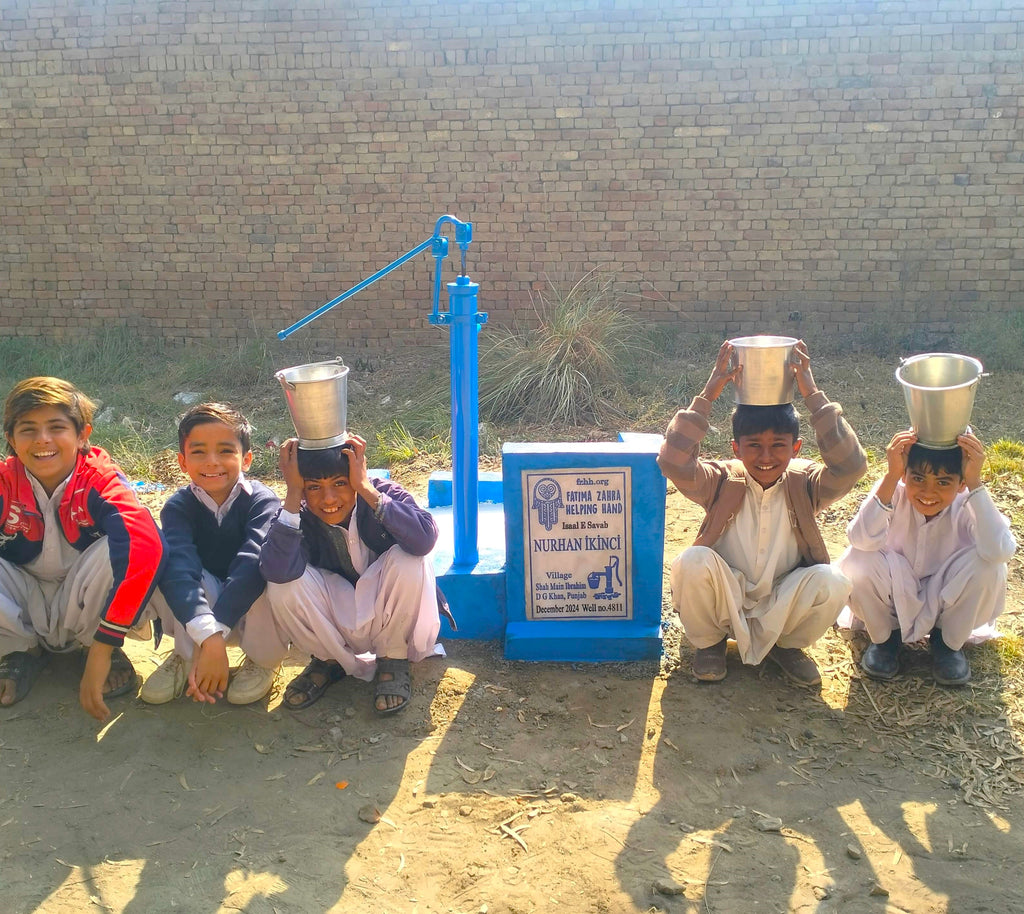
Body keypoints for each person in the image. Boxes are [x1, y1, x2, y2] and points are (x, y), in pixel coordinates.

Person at [657, 340, 867, 685]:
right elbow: (673, 462)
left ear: (795, 447)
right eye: (754, 446)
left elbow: (851, 467)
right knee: (692, 562)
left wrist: (812, 393)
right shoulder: (721, 480)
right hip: (728, 597)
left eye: (778, 446)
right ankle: (710, 643)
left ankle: (785, 645)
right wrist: (709, 394)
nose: (766, 457)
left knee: (833, 581)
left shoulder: (804, 483)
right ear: (736, 448)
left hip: (781, 599)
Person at [0, 376, 165, 720]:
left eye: (56, 427)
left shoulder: (98, 477)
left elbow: (145, 545)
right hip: (21, 595)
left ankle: (94, 643)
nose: (43, 440)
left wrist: (106, 642)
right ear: (11, 440)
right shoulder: (5, 480)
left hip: (85, 599)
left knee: (125, 546)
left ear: (83, 435)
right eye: (28, 429)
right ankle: (18, 649)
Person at [259, 434, 450, 714]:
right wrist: (293, 495)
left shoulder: (381, 493)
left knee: (410, 559)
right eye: (314, 487)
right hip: (336, 618)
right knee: (281, 587)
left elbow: (423, 540)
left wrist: (365, 489)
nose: (328, 499)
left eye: (340, 483)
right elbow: (275, 570)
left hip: (386, 614)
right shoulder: (297, 512)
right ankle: (328, 659)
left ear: (357, 475)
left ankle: (393, 658)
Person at [837, 430, 1016, 685]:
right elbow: (859, 538)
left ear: (961, 482)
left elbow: (1000, 551)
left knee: (990, 567)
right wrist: (891, 475)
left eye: (944, 482)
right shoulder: (893, 490)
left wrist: (976, 482)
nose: (928, 492)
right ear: (904, 474)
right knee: (858, 560)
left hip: (947, 597)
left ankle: (946, 643)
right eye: (918, 478)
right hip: (894, 594)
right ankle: (887, 639)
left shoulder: (969, 501)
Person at [142, 403, 287, 705]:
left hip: (249, 608)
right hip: (204, 609)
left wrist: (214, 635)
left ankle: (262, 660)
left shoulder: (263, 502)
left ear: (246, 458)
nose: (212, 462)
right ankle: (186, 655)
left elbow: (251, 562)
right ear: (182, 462)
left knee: (268, 569)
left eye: (225, 451)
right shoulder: (178, 507)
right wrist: (208, 637)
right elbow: (181, 568)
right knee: (166, 564)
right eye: (198, 452)